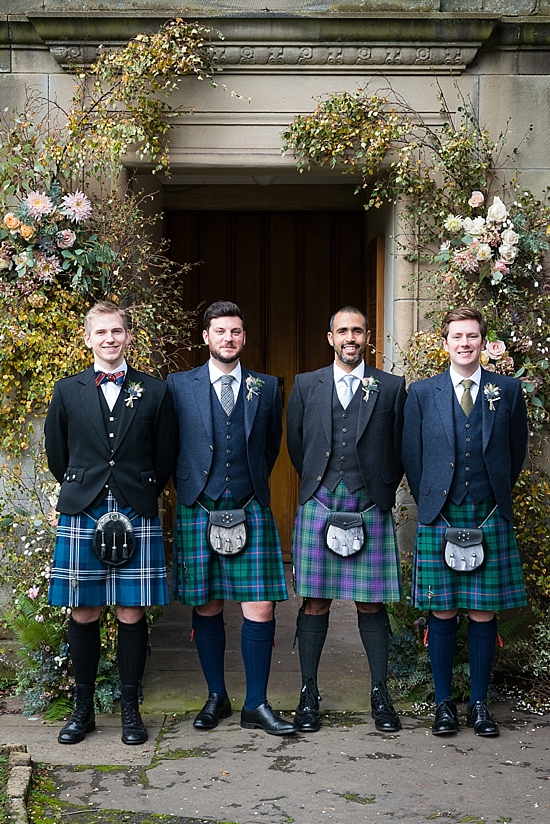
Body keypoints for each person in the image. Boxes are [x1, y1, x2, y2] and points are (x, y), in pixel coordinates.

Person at [45, 300, 178, 745]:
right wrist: (84, 488)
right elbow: (56, 455)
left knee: (130, 610)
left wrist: (141, 488)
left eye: (117, 332)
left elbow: (165, 454)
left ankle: (130, 712)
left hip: (135, 504)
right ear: (87, 338)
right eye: (101, 332)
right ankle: (83, 711)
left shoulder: (154, 391)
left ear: (128, 336)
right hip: (83, 507)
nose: (109, 339)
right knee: (83, 611)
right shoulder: (67, 391)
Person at [167, 300, 294, 736]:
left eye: (236, 331)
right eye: (220, 331)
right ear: (206, 337)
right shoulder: (178, 385)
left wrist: (249, 484)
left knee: (260, 605)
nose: (228, 338)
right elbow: (169, 444)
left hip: (249, 504)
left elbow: (271, 446)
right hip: (199, 506)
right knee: (207, 604)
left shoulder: (267, 386)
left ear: (244, 337)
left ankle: (256, 704)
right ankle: (216, 696)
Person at [402, 306, 528, 737]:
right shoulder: (421, 393)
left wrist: (493, 494)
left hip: (489, 511)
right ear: (445, 343)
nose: (464, 343)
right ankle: (443, 706)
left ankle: (478, 706)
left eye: (472, 336)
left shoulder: (507, 391)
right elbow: (412, 456)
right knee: (442, 610)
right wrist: (431, 502)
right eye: (457, 336)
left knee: (482, 611)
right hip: (441, 512)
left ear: (482, 343)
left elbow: (515, 452)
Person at [286, 306, 406, 733]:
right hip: (319, 501)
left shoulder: (390, 387)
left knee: (371, 602)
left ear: (367, 337)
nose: (350, 337)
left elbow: (400, 446)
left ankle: (380, 692)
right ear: (330, 337)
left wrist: (381, 491)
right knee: (315, 601)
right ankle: (308, 692)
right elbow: (296, 443)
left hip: (369, 504)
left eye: (357, 330)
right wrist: (319, 485)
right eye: (342, 331)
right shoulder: (306, 385)